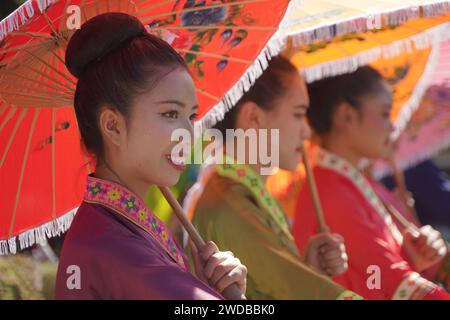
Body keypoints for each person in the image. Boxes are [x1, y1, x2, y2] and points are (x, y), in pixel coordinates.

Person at [55, 13, 247, 300]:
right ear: (113, 126)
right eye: (170, 114)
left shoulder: (108, 228)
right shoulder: (116, 248)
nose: (188, 135)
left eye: (191, 116)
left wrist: (206, 286)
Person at [185, 56, 360, 300]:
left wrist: (308, 270)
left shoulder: (241, 190)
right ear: (254, 117)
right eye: (299, 115)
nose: (307, 131)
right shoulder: (227, 204)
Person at [293, 66, 450, 299]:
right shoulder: (331, 193)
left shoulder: (357, 183)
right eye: (385, 113)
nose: (393, 126)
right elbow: (392, 283)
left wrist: (425, 256)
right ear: (346, 115)